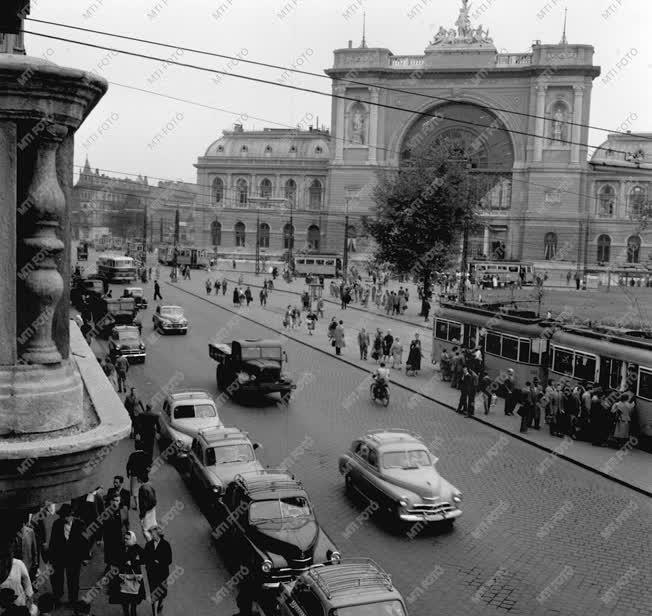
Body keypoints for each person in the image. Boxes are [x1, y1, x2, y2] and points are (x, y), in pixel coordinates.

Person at [48, 504, 89, 606]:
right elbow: (53, 542)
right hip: (59, 557)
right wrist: (51, 558)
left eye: (69, 516)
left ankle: (73, 600)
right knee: (57, 579)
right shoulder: (57, 524)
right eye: (64, 516)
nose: (67, 518)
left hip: (74, 558)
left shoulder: (80, 524)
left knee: (73, 580)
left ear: (73, 515)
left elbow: (85, 542)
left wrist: (85, 557)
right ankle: (57, 597)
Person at [110, 532, 145, 616]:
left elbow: (144, 560)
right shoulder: (121, 548)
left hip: (134, 578)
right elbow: (114, 560)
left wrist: (133, 562)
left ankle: (133, 612)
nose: (125, 540)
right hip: (123, 577)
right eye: (124, 538)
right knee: (124, 599)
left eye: (127, 539)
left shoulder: (138, 548)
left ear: (132, 539)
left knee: (133, 600)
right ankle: (126, 613)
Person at [144, 527, 172, 615]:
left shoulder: (166, 545)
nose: (152, 535)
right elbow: (145, 558)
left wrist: (159, 561)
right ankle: (154, 614)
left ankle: (160, 604)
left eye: (153, 533)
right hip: (152, 574)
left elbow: (169, 560)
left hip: (162, 574)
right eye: (151, 533)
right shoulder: (148, 545)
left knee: (162, 594)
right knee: (154, 595)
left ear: (159, 535)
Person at [102, 493, 127, 571]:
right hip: (110, 536)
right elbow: (103, 526)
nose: (115, 502)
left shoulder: (124, 509)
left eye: (117, 500)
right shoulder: (106, 512)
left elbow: (126, 522)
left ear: (120, 501)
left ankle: (119, 568)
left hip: (121, 535)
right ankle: (109, 567)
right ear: (110, 501)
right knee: (110, 554)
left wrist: (127, 533)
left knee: (120, 553)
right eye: (114, 500)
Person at [11, 516, 38, 582]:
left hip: (28, 563)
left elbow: (34, 549)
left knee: (27, 583)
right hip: (16, 564)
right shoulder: (13, 532)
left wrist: (35, 562)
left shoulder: (30, 531)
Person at [126, 446, 150, 511]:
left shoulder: (133, 455)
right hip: (144, 477)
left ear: (135, 448)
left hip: (135, 476)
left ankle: (138, 506)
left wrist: (128, 473)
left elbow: (128, 465)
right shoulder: (147, 455)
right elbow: (149, 467)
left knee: (135, 493)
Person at [137, 474, 157, 542]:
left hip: (146, 511)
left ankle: (150, 546)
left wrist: (142, 515)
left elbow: (143, 504)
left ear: (140, 479)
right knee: (152, 527)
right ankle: (156, 543)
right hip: (152, 510)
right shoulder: (150, 486)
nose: (137, 479)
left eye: (138, 478)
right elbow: (154, 500)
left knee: (145, 530)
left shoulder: (142, 489)